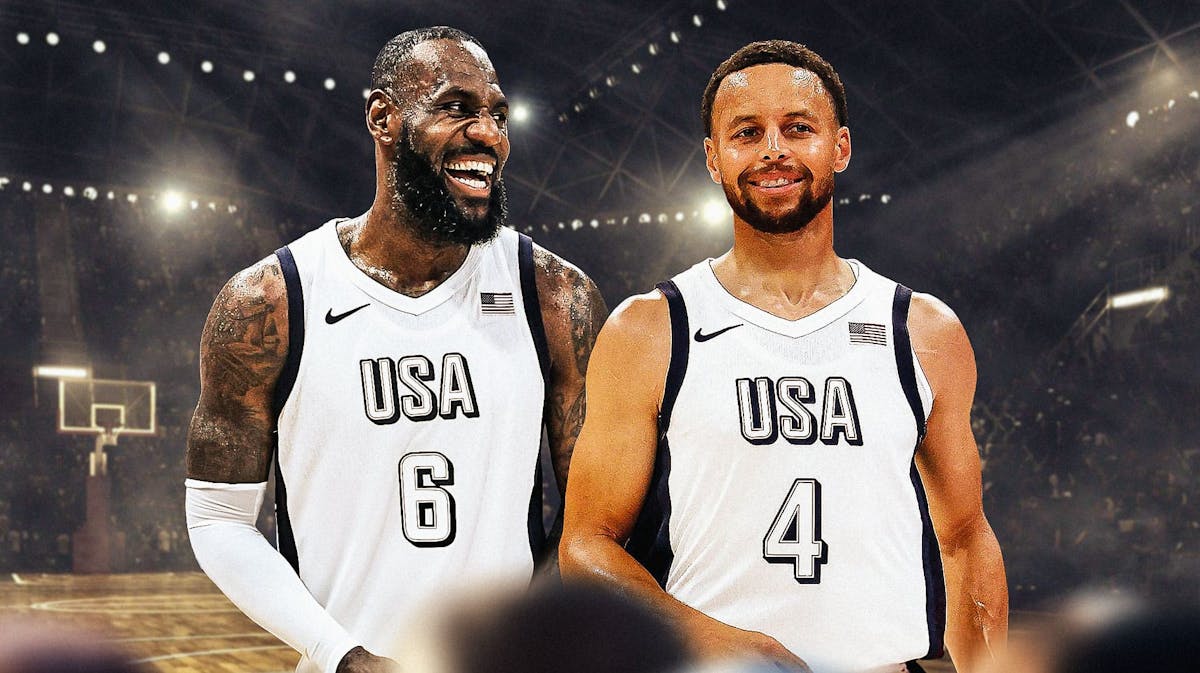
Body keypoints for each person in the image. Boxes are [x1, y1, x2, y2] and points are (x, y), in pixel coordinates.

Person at [561, 40, 1007, 673]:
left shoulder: (924, 330)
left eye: (798, 128)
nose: (774, 148)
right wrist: (735, 647)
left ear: (841, 147)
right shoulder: (650, 329)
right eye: (747, 132)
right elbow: (585, 547)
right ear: (714, 159)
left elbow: (965, 539)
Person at [185, 26, 606, 673]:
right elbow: (218, 518)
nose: (489, 134)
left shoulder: (552, 295)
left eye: (498, 113)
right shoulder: (270, 302)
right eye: (456, 107)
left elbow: (594, 517)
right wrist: (342, 655)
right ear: (383, 117)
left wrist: (514, 640)